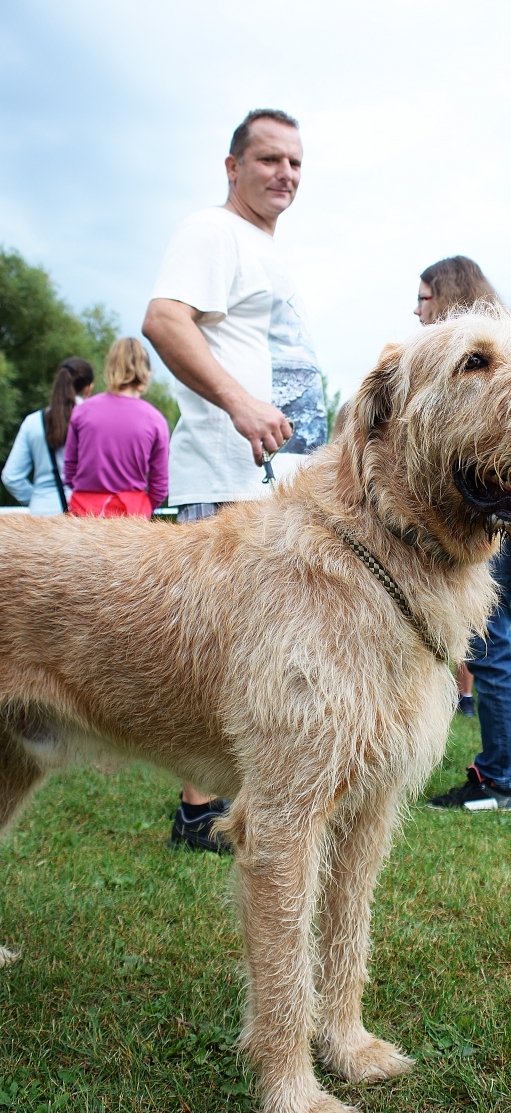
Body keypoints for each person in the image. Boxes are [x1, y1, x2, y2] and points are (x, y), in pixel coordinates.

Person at [142, 107, 327, 850]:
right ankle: (199, 809)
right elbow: (164, 319)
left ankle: (233, 798)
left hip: (272, 481)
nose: (285, 174)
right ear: (232, 167)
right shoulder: (213, 230)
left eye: (296, 163)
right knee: (219, 652)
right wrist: (240, 402)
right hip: (229, 474)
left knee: (262, 650)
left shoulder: (262, 247)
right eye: (269, 159)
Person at [412, 257, 511, 725]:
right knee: (500, 633)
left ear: (443, 295)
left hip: (487, 519)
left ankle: (499, 764)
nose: (416, 310)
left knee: (488, 647)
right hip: (498, 506)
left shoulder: (471, 354)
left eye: (422, 297)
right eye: (476, 364)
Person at [64, 338, 169, 518]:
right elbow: (159, 486)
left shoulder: (82, 411)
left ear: (110, 367)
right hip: (131, 517)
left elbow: (69, 473)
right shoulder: (155, 420)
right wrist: (141, 508)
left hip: (83, 516)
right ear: (147, 373)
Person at [1, 358, 94, 513]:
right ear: (88, 388)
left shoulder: (32, 422)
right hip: (84, 512)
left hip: (41, 513)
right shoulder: (95, 422)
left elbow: (11, 477)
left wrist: (38, 499)